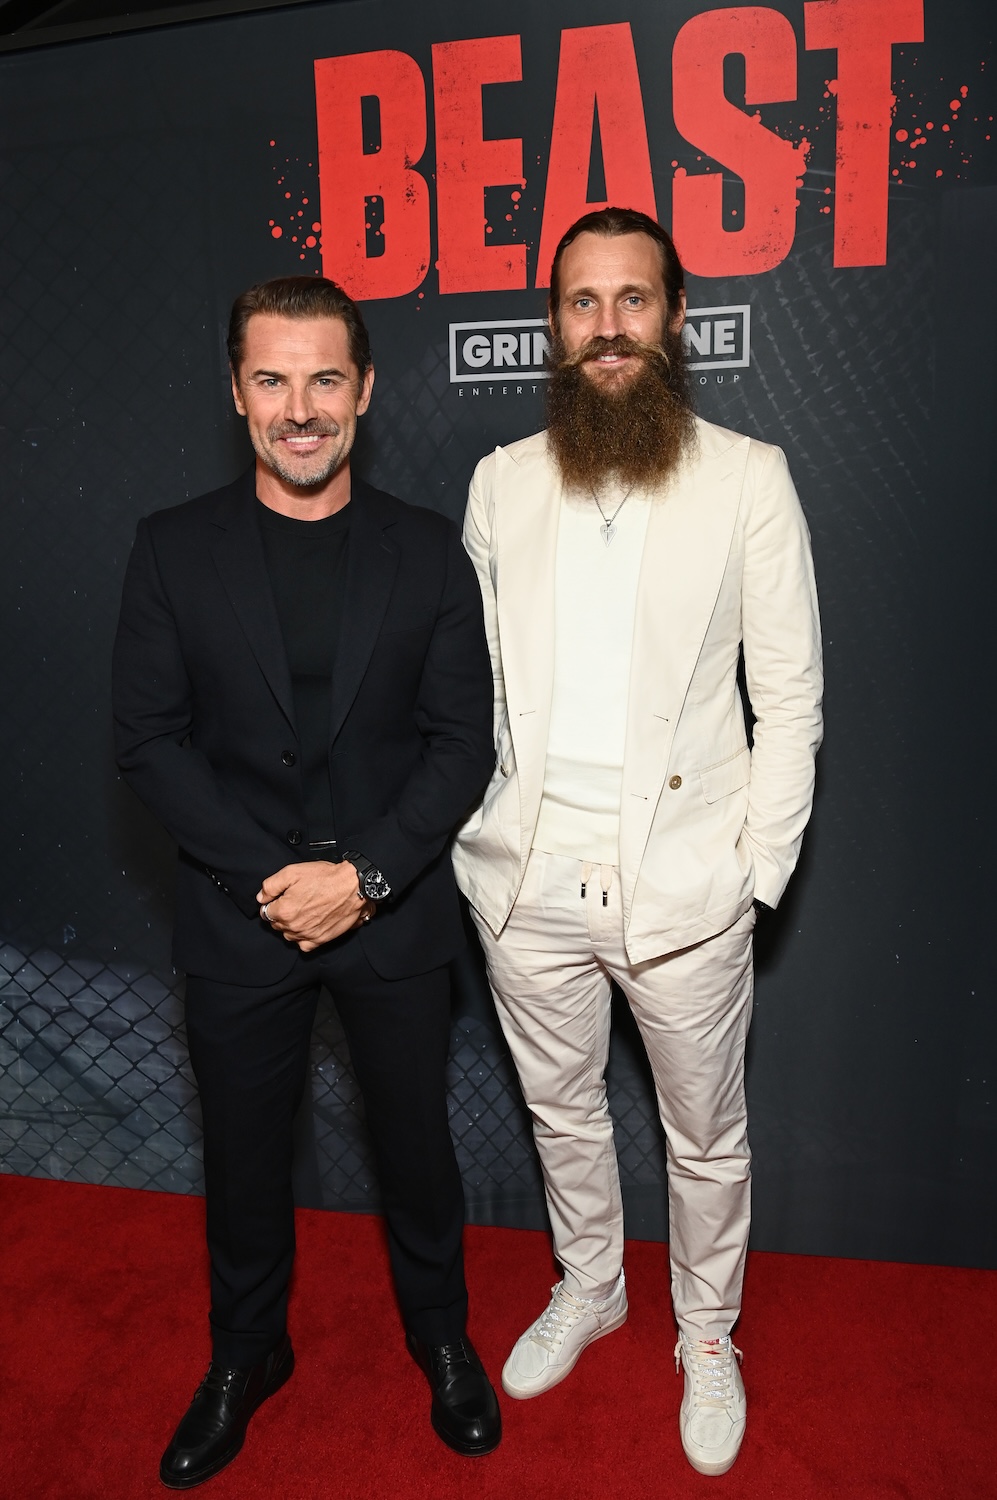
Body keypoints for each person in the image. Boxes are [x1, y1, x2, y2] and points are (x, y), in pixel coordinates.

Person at [112, 276, 501, 1489]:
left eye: (324, 378)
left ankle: (441, 1338)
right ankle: (245, 1355)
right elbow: (150, 743)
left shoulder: (429, 551)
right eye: (272, 379)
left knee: (415, 1150)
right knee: (240, 1156)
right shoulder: (171, 548)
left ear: (365, 391)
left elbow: (461, 748)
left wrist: (366, 878)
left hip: (392, 919)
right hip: (243, 918)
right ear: (236, 394)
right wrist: (283, 879)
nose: (300, 407)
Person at [453, 208, 823, 1477]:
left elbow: (793, 698)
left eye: (631, 299)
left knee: (703, 1136)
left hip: (685, 888)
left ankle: (705, 1335)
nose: (606, 325)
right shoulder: (500, 482)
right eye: (579, 303)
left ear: (672, 317)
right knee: (561, 1116)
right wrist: (477, 842)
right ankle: (594, 1286)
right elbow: (471, 693)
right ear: (551, 327)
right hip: (525, 879)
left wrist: (751, 876)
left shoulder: (748, 477)